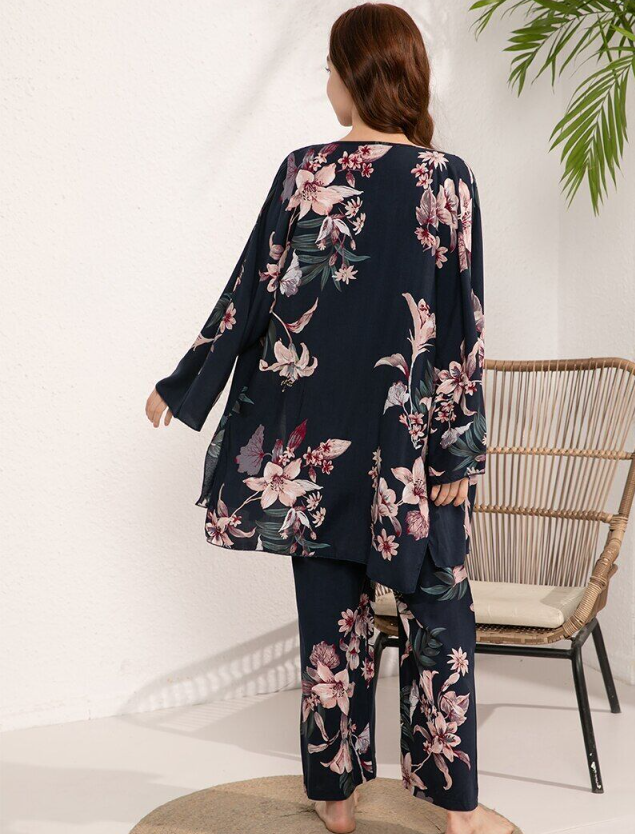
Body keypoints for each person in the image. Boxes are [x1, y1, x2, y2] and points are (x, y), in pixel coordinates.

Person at [146, 4, 515, 833]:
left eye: (329, 68)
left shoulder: (308, 170)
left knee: (330, 627)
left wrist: (184, 385)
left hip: (312, 444)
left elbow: (248, 293)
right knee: (439, 616)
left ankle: (337, 796)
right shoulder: (446, 178)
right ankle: (453, 808)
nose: (325, 83)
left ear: (355, 75)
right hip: (409, 443)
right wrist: (458, 453)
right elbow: (464, 325)